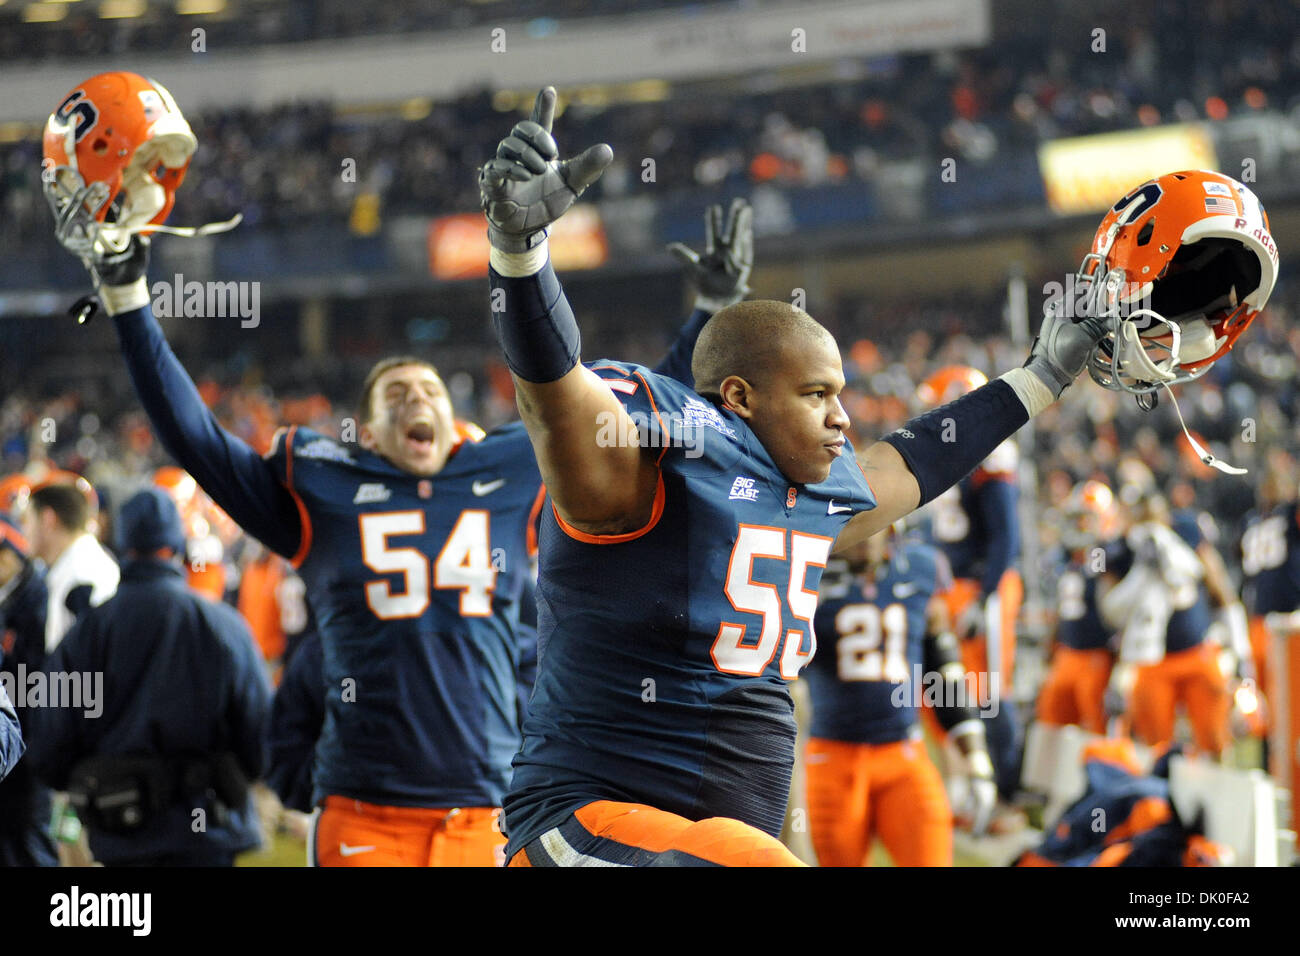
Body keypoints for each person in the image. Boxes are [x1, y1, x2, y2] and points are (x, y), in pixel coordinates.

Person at [47, 70, 755, 866]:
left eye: (425, 387)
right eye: (393, 393)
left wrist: (706, 314)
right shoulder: (323, 489)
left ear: (452, 417)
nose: (413, 396)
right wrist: (128, 299)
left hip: (488, 806)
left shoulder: (509, 471)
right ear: (370, 429)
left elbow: (616, 421)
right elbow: (197, 440)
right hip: (364, 809)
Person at [478, 87, 1115, 866]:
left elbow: (916, 458)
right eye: (818, 394)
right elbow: (553, 392)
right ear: (740, 397)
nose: (843, 417)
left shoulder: (812, 497)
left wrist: (1041, 377)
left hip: (704, 839)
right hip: (590, 821)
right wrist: (520, 258)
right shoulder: (664, 453)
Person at [26, 488, 270, 866]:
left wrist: (87, 781)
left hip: (121, 832)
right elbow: (261, 737)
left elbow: (49, 741)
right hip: (207, 833)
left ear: (123, 542)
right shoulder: (223, 626)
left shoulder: (90, 631)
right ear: (175, 543)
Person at [803, 523, 995, 866]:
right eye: (854, 520)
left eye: (872, 519)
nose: (865, 534)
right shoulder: (807, 573)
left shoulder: (921, 568)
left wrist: (978, 762)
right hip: (833, 756)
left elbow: (943, 671)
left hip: (903, 752)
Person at [914, 364, 1024, 813]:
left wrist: (986, 595)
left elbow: (1005, 538)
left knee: (990, 688)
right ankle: (965, 787)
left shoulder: (990, 455)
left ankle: (1002, 795)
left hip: (982, 584)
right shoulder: (938, 453)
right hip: (948, 587)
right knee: (943, 688)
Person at [1036, 479, 1122, 734]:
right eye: (1077, 518)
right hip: (1067, 653)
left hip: (1098, 654)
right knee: (1050, 719)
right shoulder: (1064, 557)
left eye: (1087, 518)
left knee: (1097, 724)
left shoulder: (1110, 556)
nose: (1081, 524)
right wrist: (1050, 644)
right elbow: (1060, 608)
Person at [0, 514, 59, 864]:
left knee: (30, 839)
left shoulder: (38, 596)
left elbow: (38, 679)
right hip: (14, 736)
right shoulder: (14, 596)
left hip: (29, 741)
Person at [20, 480, 119, 651]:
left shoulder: (82, 574)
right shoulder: (80, 563)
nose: (23, 530)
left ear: (47, 519)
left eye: (27, 520)